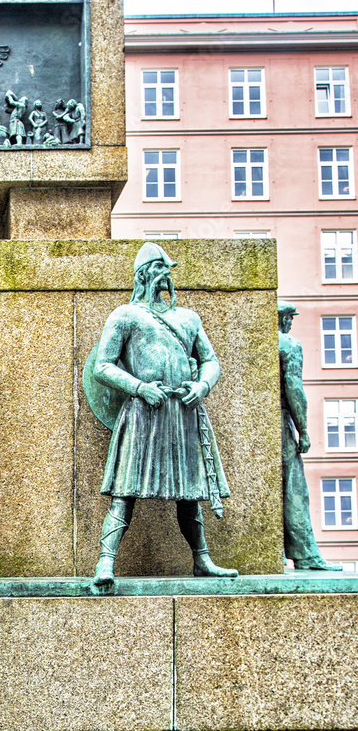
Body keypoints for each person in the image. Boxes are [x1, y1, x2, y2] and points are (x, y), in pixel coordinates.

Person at [88, 242, 238, 593]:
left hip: (183, 411)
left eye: (168, 270)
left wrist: (202, 385)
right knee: (125, 492)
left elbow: (211, 360)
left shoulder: (188, 318)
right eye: (159, 269)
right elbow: (102, 366)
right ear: (143, 275)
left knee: (190, 492)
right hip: (144, 410)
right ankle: (105, 562)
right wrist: (140, 387)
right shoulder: (125, 315)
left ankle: (201, 559)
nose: (166, 277)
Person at [278, 302, 342, 570]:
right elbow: (294, 390)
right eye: (289, 318)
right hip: (280, 426)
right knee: (294, 488)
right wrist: (304, 429)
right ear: (282, 319)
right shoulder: (289, 345)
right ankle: (305, 554)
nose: (291, 323)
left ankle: (278, 554)